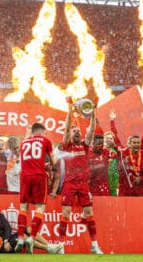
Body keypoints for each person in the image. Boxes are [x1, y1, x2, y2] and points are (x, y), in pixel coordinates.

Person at [56, 102, 102, 254]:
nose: (76, 132)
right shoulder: (66, 146)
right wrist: (69, 111)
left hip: (83, 184)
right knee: (66, 214)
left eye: (78, 131)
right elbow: (67, 127)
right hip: (69, 183)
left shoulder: (85, 145)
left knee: (89, 213)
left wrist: (93, 113)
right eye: (74, 130)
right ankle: (61, 246)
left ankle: (94, 245)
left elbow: (92, 130)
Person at [15, 122, 55, 254]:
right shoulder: (46, 141)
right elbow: (53, 160)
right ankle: (31, 238)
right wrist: (49, 166)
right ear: (40, 132)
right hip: (39, 176)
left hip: (25, 177)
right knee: (39, 208)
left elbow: (29, 159)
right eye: (44, 132)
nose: (45, 135)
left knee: (23, 208)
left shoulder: (24, 143)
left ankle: (20, 237)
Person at [112, 108, 143, 197]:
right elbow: (115, 138)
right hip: (126, 187)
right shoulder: (124, 152)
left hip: (140, 187)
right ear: (130, 143)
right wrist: (112, 121)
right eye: (134, 143)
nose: (136, 144)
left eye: (138, 142)